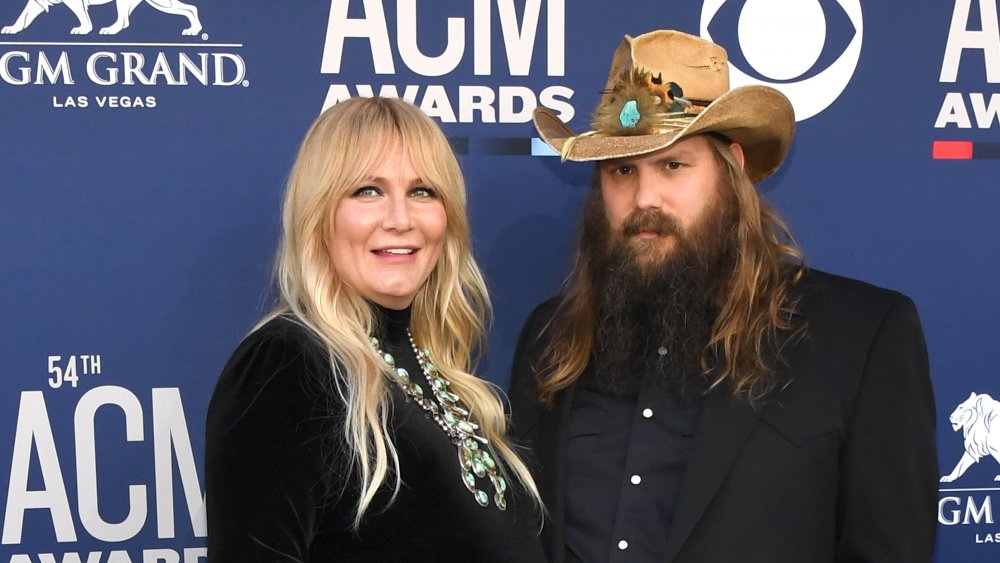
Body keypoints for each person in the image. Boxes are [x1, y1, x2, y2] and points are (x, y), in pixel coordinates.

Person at [507, 29, 937, 563]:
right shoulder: (551, 336)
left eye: (673, 165)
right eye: (621, 171)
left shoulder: (862, 335)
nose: (645, 198)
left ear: (730, 169)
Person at [206, 96, 545, 562]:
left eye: (423, 191)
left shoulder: (437, 368)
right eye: (368, 190)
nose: (400, 219)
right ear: (319, 214)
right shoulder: (287, 363)